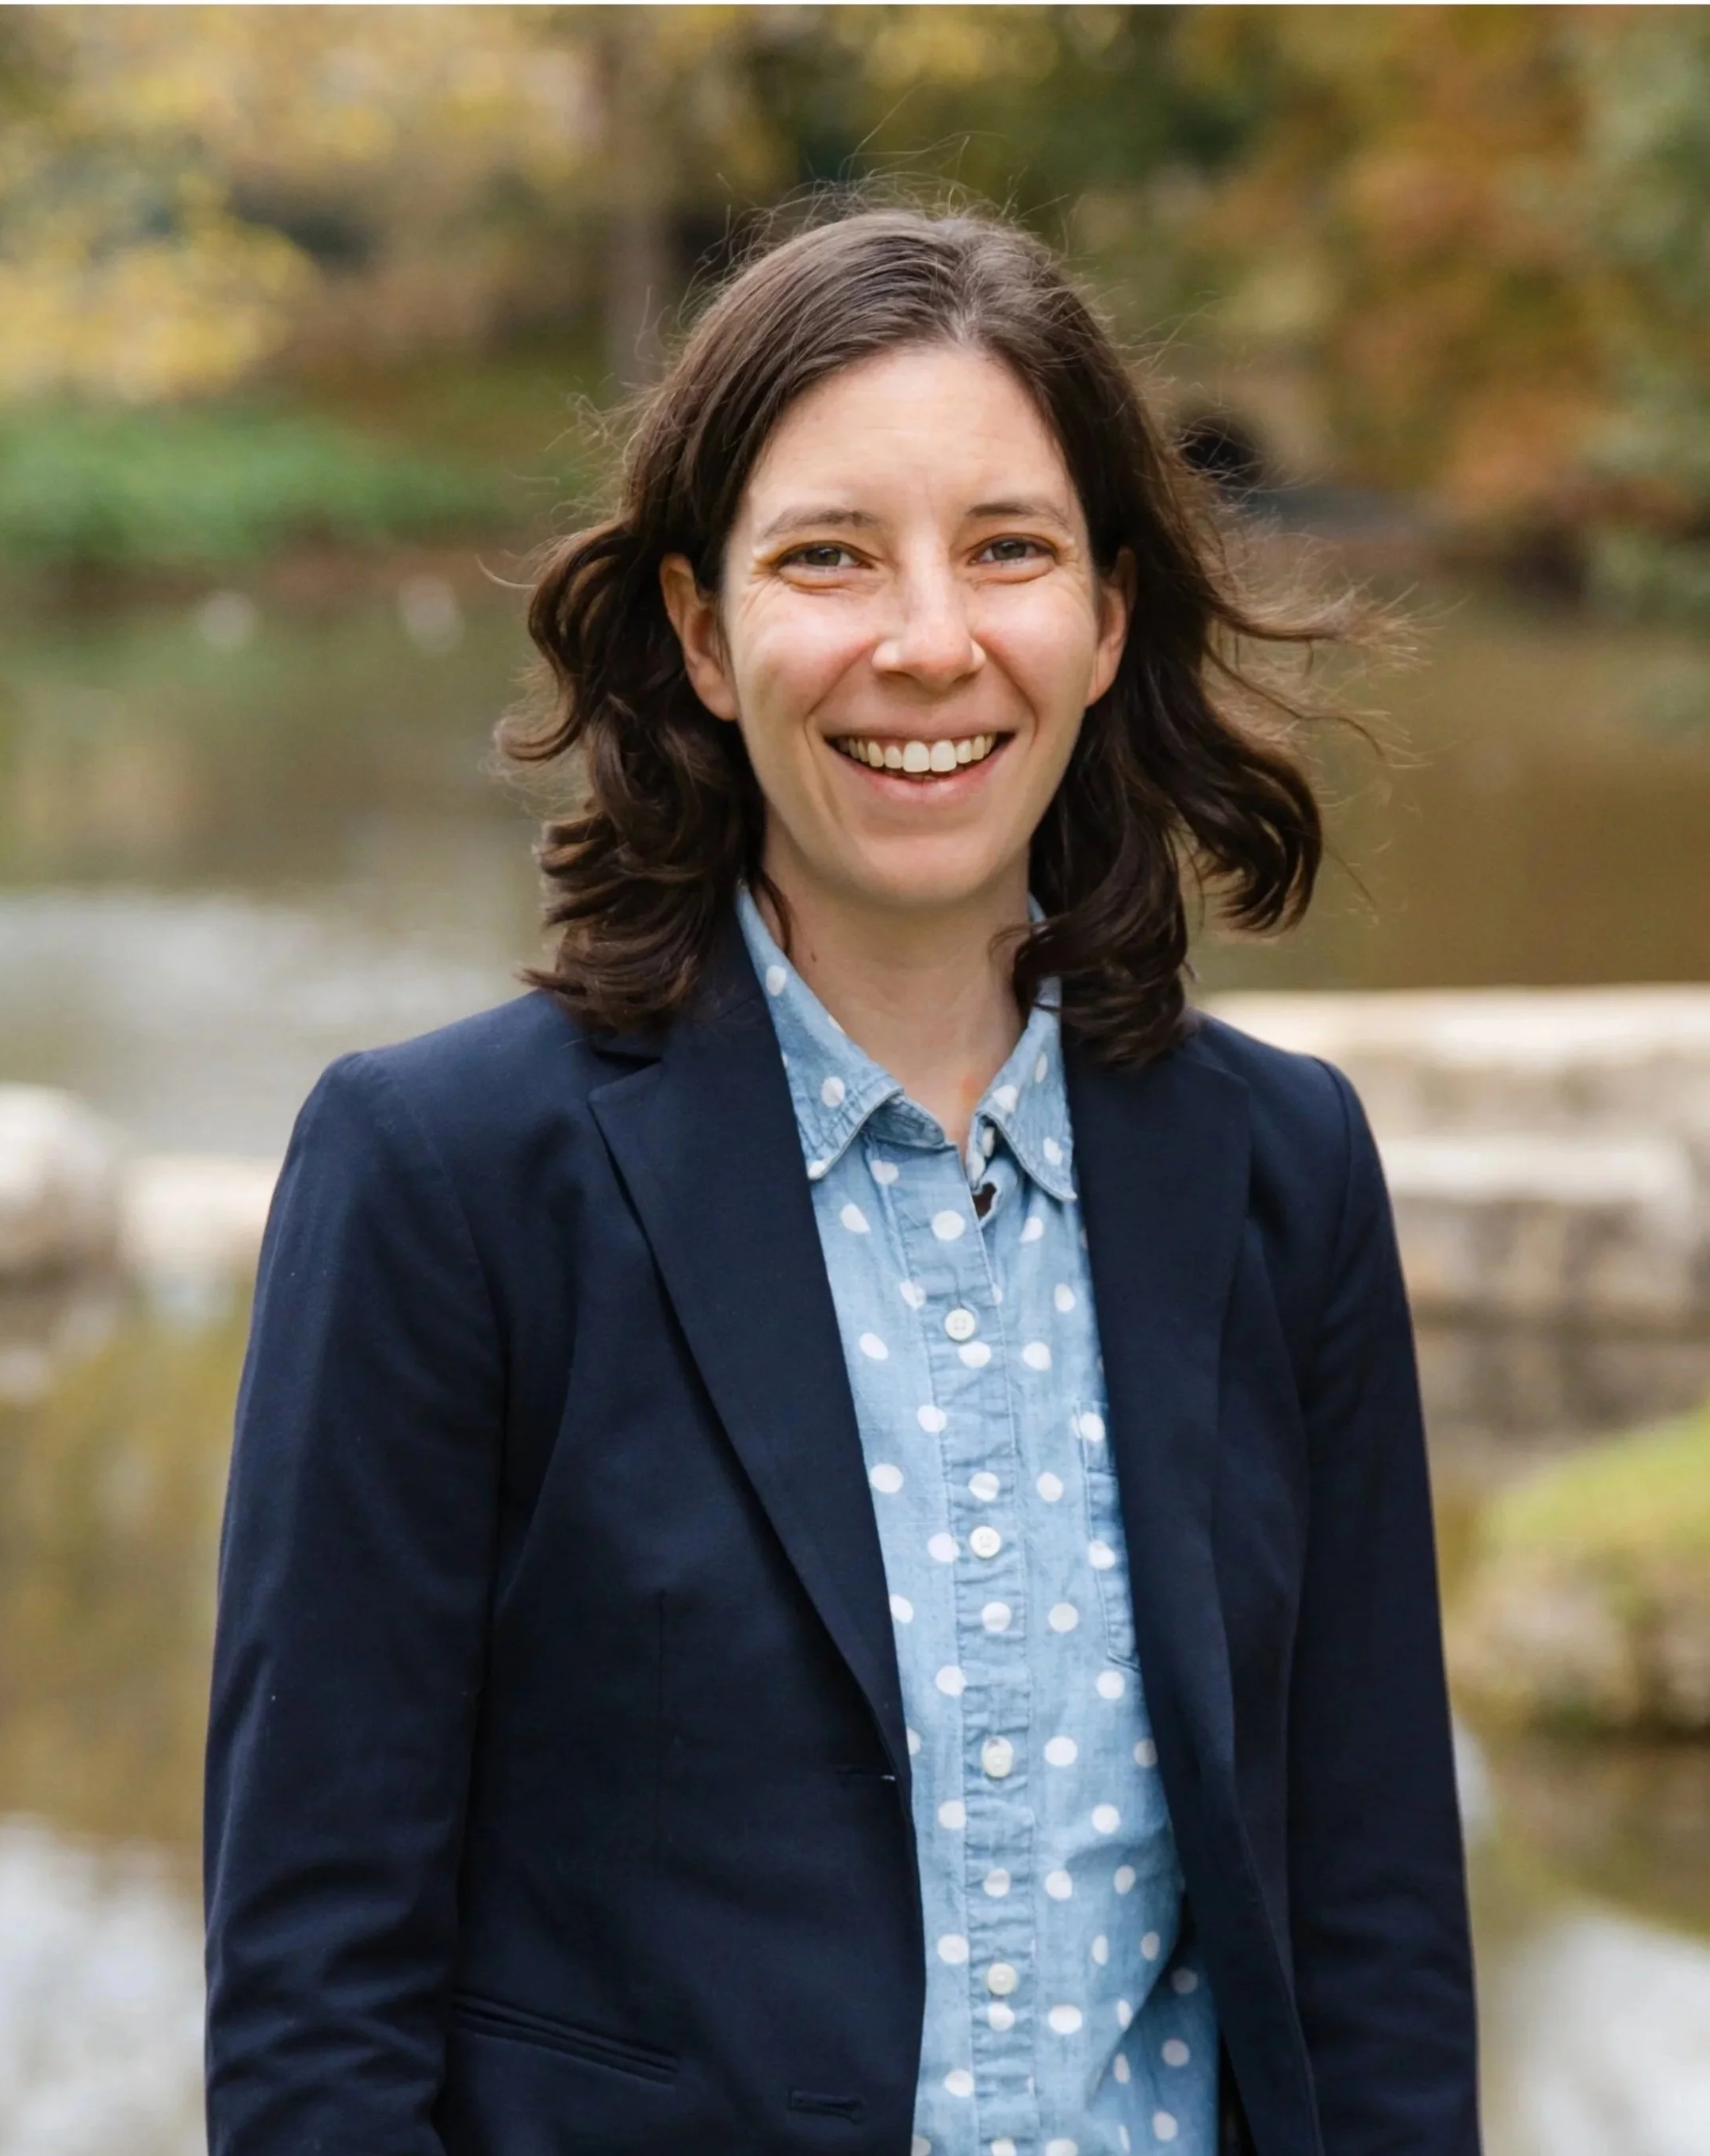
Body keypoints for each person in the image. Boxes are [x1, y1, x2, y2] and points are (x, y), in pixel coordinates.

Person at [205, 205, 1479, 2156]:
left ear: (1106, 618)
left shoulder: (1278, 1173)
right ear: (700, 632)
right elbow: (316, 2010)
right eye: (828, 555)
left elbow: (1372, 1932)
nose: (927, 642)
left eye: (1007, 549)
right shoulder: (442, 1180)